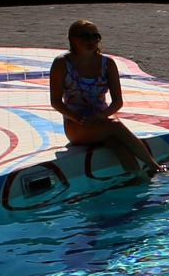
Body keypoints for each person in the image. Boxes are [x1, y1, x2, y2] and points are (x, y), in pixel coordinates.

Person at [49, 20, 160, 181]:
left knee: (117, 145)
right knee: (115, 126)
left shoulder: (107, 64)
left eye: (95, 36)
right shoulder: (62, 64)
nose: (91, 41)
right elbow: (56, 102)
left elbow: (117, 102)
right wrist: (79, 118)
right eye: (85, 36)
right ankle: (155, 167)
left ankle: (139, 179)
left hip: (102, 119)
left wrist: (100, 116)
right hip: (76, 125)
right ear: (72, 39)